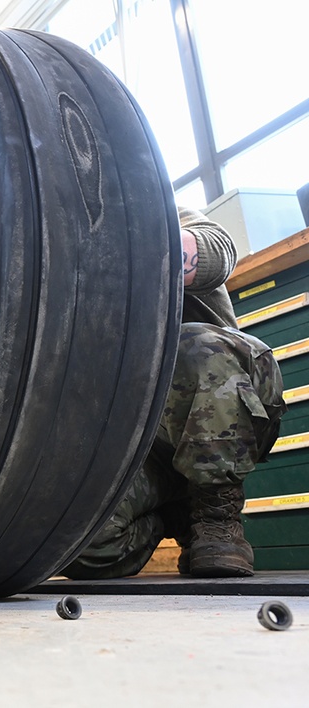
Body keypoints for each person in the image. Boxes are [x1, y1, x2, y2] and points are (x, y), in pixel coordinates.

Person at [63, 206, 286, 580]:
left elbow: (218, 252)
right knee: (74, 543)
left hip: (226, 399)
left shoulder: (164, 209)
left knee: (192, 345)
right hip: (147, 445)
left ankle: (217, 517)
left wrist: (116, 249)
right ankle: (180, 513)